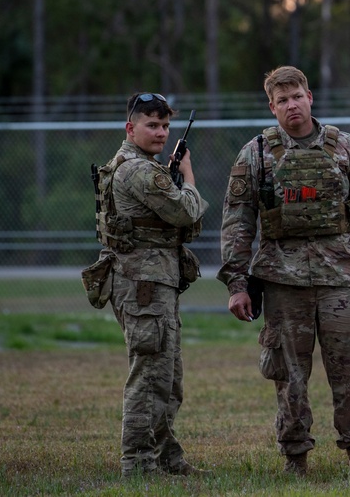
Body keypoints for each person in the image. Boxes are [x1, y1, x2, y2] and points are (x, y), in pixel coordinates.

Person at [217, 66, 350, 478]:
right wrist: (237, 283)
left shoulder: (346, 148)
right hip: (283, 282)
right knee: (289, 378)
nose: (291, 105)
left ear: (310, 96)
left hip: (340, 280)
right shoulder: (257, 153)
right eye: (282, 100)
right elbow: (238, 221)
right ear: (272, 106)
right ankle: (295, 460)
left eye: (296, 96)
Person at [91, 92, 209, 478]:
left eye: (165, 126)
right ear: (131, 128)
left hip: (153, 282)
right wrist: (187, 176)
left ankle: (166, 458)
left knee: (167, 378)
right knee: (149, 377)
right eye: (152, 125)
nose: (160, 133)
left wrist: (171, 175)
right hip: (143, 285)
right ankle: (138, 464)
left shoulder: (141, 166)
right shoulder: (138, 170)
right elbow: (185, 211)